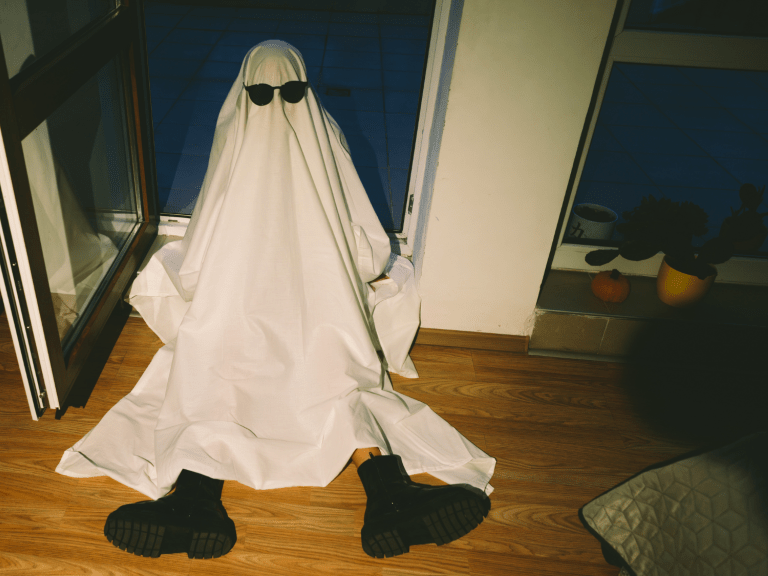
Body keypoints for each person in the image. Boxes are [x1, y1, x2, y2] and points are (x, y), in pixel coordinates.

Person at [57, 40, 496, 560]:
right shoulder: (324, 137)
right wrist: (365, 273)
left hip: (234, 315)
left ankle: (194, 500)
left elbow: (202, 245)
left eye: (282, 95)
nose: (276, 106)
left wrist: (191, 279)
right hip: (322, 318)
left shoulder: (235, 137)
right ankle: (389, 492)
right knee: (341, 387)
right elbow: (366, 246)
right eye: (269, 95)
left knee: (211, 383)